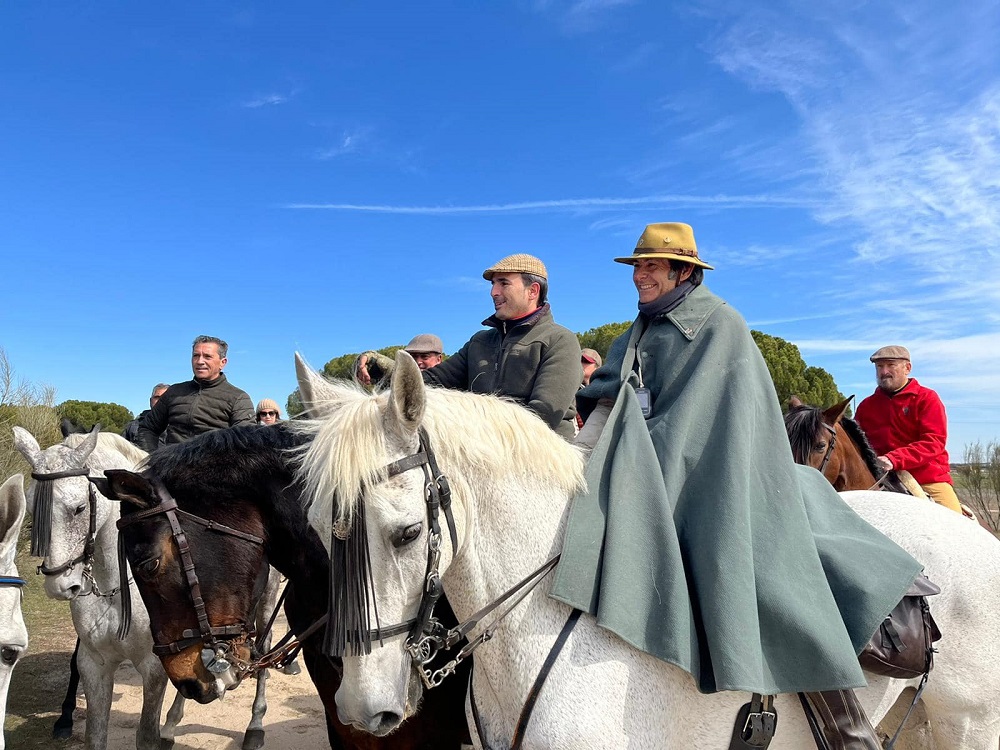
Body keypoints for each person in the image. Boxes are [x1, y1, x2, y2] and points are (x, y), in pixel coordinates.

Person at [552, 223, 921, 749]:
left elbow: (710, 427)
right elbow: (609, 402)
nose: (639, 275)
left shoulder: (721, 324)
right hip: (653, 469)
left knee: (773, 577)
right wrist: (578, 460)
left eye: (651, 265)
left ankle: (847, 731)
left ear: (684, 271)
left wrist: (647, 458)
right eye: (636, 266)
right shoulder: (635, 332)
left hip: (728, 478)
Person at [356, 254, 582, 439]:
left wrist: (468, 430)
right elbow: (429, 382)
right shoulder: (479, 342)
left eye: (504, 283)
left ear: (533, 291)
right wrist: (380, 366)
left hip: (545, 462)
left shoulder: (560, 340)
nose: (493, 292)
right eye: (493, 284)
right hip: (482, 454)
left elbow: (541, 417)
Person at [854, 346, 962, 513]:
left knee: (956, 525)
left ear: (907, 368)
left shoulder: (927, 398)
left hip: (926, 478)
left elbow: (933, 442)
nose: (884, 371)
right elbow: (856, 443)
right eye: (879, 367)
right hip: (879, 479)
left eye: (890, 365)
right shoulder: (866, 406)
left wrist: (894, 459)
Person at [136, 336, 255, 451]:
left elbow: (246, 442)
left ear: (222, 363)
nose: (200, 361)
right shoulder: (174, 392)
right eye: (196, 356)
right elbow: (148, 428)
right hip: (170, 467)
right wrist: (151, 459)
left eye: (207, 356)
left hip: (214, 468)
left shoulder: (238, 398)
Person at [357, 334, 445, 377]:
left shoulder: (449, 382)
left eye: (425, 356)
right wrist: (365, 360)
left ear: (439, 359)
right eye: (413, 357)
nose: (418, 362)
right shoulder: (399, 380)